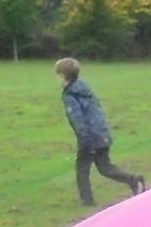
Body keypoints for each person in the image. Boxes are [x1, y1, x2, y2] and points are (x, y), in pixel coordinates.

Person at [57, 58, 145, 206]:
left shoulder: (69, 95)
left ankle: (87, 199)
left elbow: (78, 120)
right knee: (104, 167)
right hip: (102, 132)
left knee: (82, 168)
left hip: (89, 137)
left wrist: (85, 141)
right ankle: (133, 179)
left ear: (63, 76)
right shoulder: (85, 88)